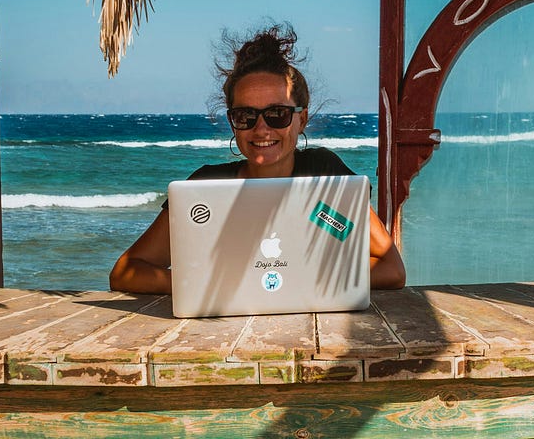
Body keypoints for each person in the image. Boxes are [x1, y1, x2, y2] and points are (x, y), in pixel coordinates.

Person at [109, 24, 406, 294]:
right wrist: (205, 284)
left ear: (301, 120)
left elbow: (391, 269)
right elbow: (126, 272)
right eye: (245, 116)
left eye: (277, 114)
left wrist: (289, 276)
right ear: (232, 123)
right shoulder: (206, 186)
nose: (261, 128)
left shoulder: (325, 174)